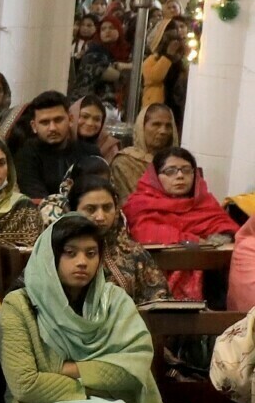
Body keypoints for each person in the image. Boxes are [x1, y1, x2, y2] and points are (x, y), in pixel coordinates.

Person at [0, 215, 167, 403]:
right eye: (70, 253)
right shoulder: (18, 305)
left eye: (91, 253)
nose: (82, 262)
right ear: (50, 256)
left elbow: (133, 369)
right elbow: (26, 385)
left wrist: (67, 369)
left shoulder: (114, 301)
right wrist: (89, 384)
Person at [122, 145, 236, 300]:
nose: (180, 176)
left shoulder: (205, 202)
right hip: (156, 277)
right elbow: (144, 232)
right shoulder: (140, 204)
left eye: (187, 170)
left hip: (211, 281)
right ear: (154, 177)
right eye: (170, 171)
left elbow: (227, 228)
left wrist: (217, 241)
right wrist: (194, 241)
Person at [69, 175, 170, 306]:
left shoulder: (133, 252)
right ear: (72, 210)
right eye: (90, 209)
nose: (100, 217)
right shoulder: (61, 251)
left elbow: (159, 299)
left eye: (107, 208)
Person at [11, 89, 100, 200]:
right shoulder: (25, 156)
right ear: (34, 126)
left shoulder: (90, 153)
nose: (52, 128)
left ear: (71, 120)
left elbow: (99, 194)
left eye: (58, 120)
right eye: (45, 122)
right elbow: (39, 201)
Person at [110, 104, 177, 202]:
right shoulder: (125, 162)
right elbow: (135, 202)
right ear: (141, 127)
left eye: (168, 126)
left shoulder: (178, 162)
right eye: (156, 124)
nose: (163, 131)